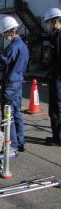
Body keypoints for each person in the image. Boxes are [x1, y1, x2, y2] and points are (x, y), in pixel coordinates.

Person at [0, 16, 29, 152]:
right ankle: (20, 142)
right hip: (18, 84)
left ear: (10, 31)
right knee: (16, 114)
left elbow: (2, 63)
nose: (4, 36)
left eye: (4, 33)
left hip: (10, 85)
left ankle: (11, 145)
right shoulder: (23, 46)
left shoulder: (14, 46)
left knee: (7, 116)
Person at [44, 8, 61, 146]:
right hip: (55, 75)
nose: (48, 25)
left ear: (55, 20)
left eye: (49, 22)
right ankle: (57, 136)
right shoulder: (56, 35)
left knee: (56, 107)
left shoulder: (59, 36)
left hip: (58, 77)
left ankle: (58, 138)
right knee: (56, 107)